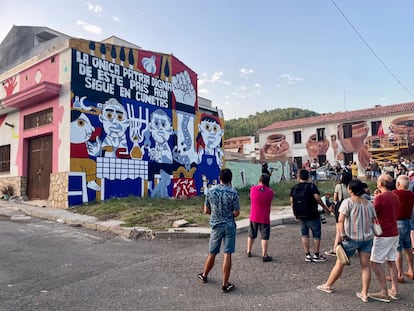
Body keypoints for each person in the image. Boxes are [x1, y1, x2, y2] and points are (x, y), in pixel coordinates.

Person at [317, 179, 376, 303]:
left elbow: (341, 221)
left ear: (350, 190)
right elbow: (374, 220)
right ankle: (364, 293)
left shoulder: (348, 202)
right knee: (366, 267)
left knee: (340, 263)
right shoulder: (369, 203)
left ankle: (328, 285)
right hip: (367, 239)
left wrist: (342, 236)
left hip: (351, 238)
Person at [197, 168, 240, 293]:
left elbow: (206, 210)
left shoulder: (210, 191)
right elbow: (236, 213)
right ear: (230, 179)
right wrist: (230, 213)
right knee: (227, 254)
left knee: (212, 253)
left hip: (216, 225)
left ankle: (204, 275)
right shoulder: (233, 193)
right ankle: (225, 284)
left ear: (220, 178)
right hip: (229, 226)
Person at [369, 174, 399, 302]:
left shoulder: (379, 198)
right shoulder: (395, 196)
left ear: (381, 184)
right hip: (394, 232)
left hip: (383, 234)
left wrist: (376, 197)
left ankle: (383, 291)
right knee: (391, 261)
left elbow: (373, 213)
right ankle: (394, 290)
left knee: (375, 262)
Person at [290, 169, 331, 263]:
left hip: (300, 214)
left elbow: (292, 201)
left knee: (304, 234)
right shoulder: (312, 186)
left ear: (299, 177)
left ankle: (307, 255)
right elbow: (317, 198)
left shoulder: (294, 188)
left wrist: (295, 213)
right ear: (308, 177)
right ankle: (316, 255)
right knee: (316, 234)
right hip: (312, 214)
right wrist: (325, 208)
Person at [246, 174, 274, 262]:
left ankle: (249, 250)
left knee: (251, 234)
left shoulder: (253, 189)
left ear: (260, 180)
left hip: (254, 215)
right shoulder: (270, 192)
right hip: (265, 217)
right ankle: (264, 255)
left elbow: (250, 196)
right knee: (264, 237)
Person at [392, 175, 414, 282]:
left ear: (398, 184)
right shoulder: (411, 194)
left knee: (398, 249)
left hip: (397, 223)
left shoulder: (395, 194)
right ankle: (411, 270)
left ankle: (399, 274)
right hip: (407, 222)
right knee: (408, 248)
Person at [325, 171, 352, 257]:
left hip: (340, 206)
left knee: (339, 229)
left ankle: (335, 248)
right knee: (348, 226)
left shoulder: (338, 186)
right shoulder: (351, 186)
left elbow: (335, 198)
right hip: (350, 205)